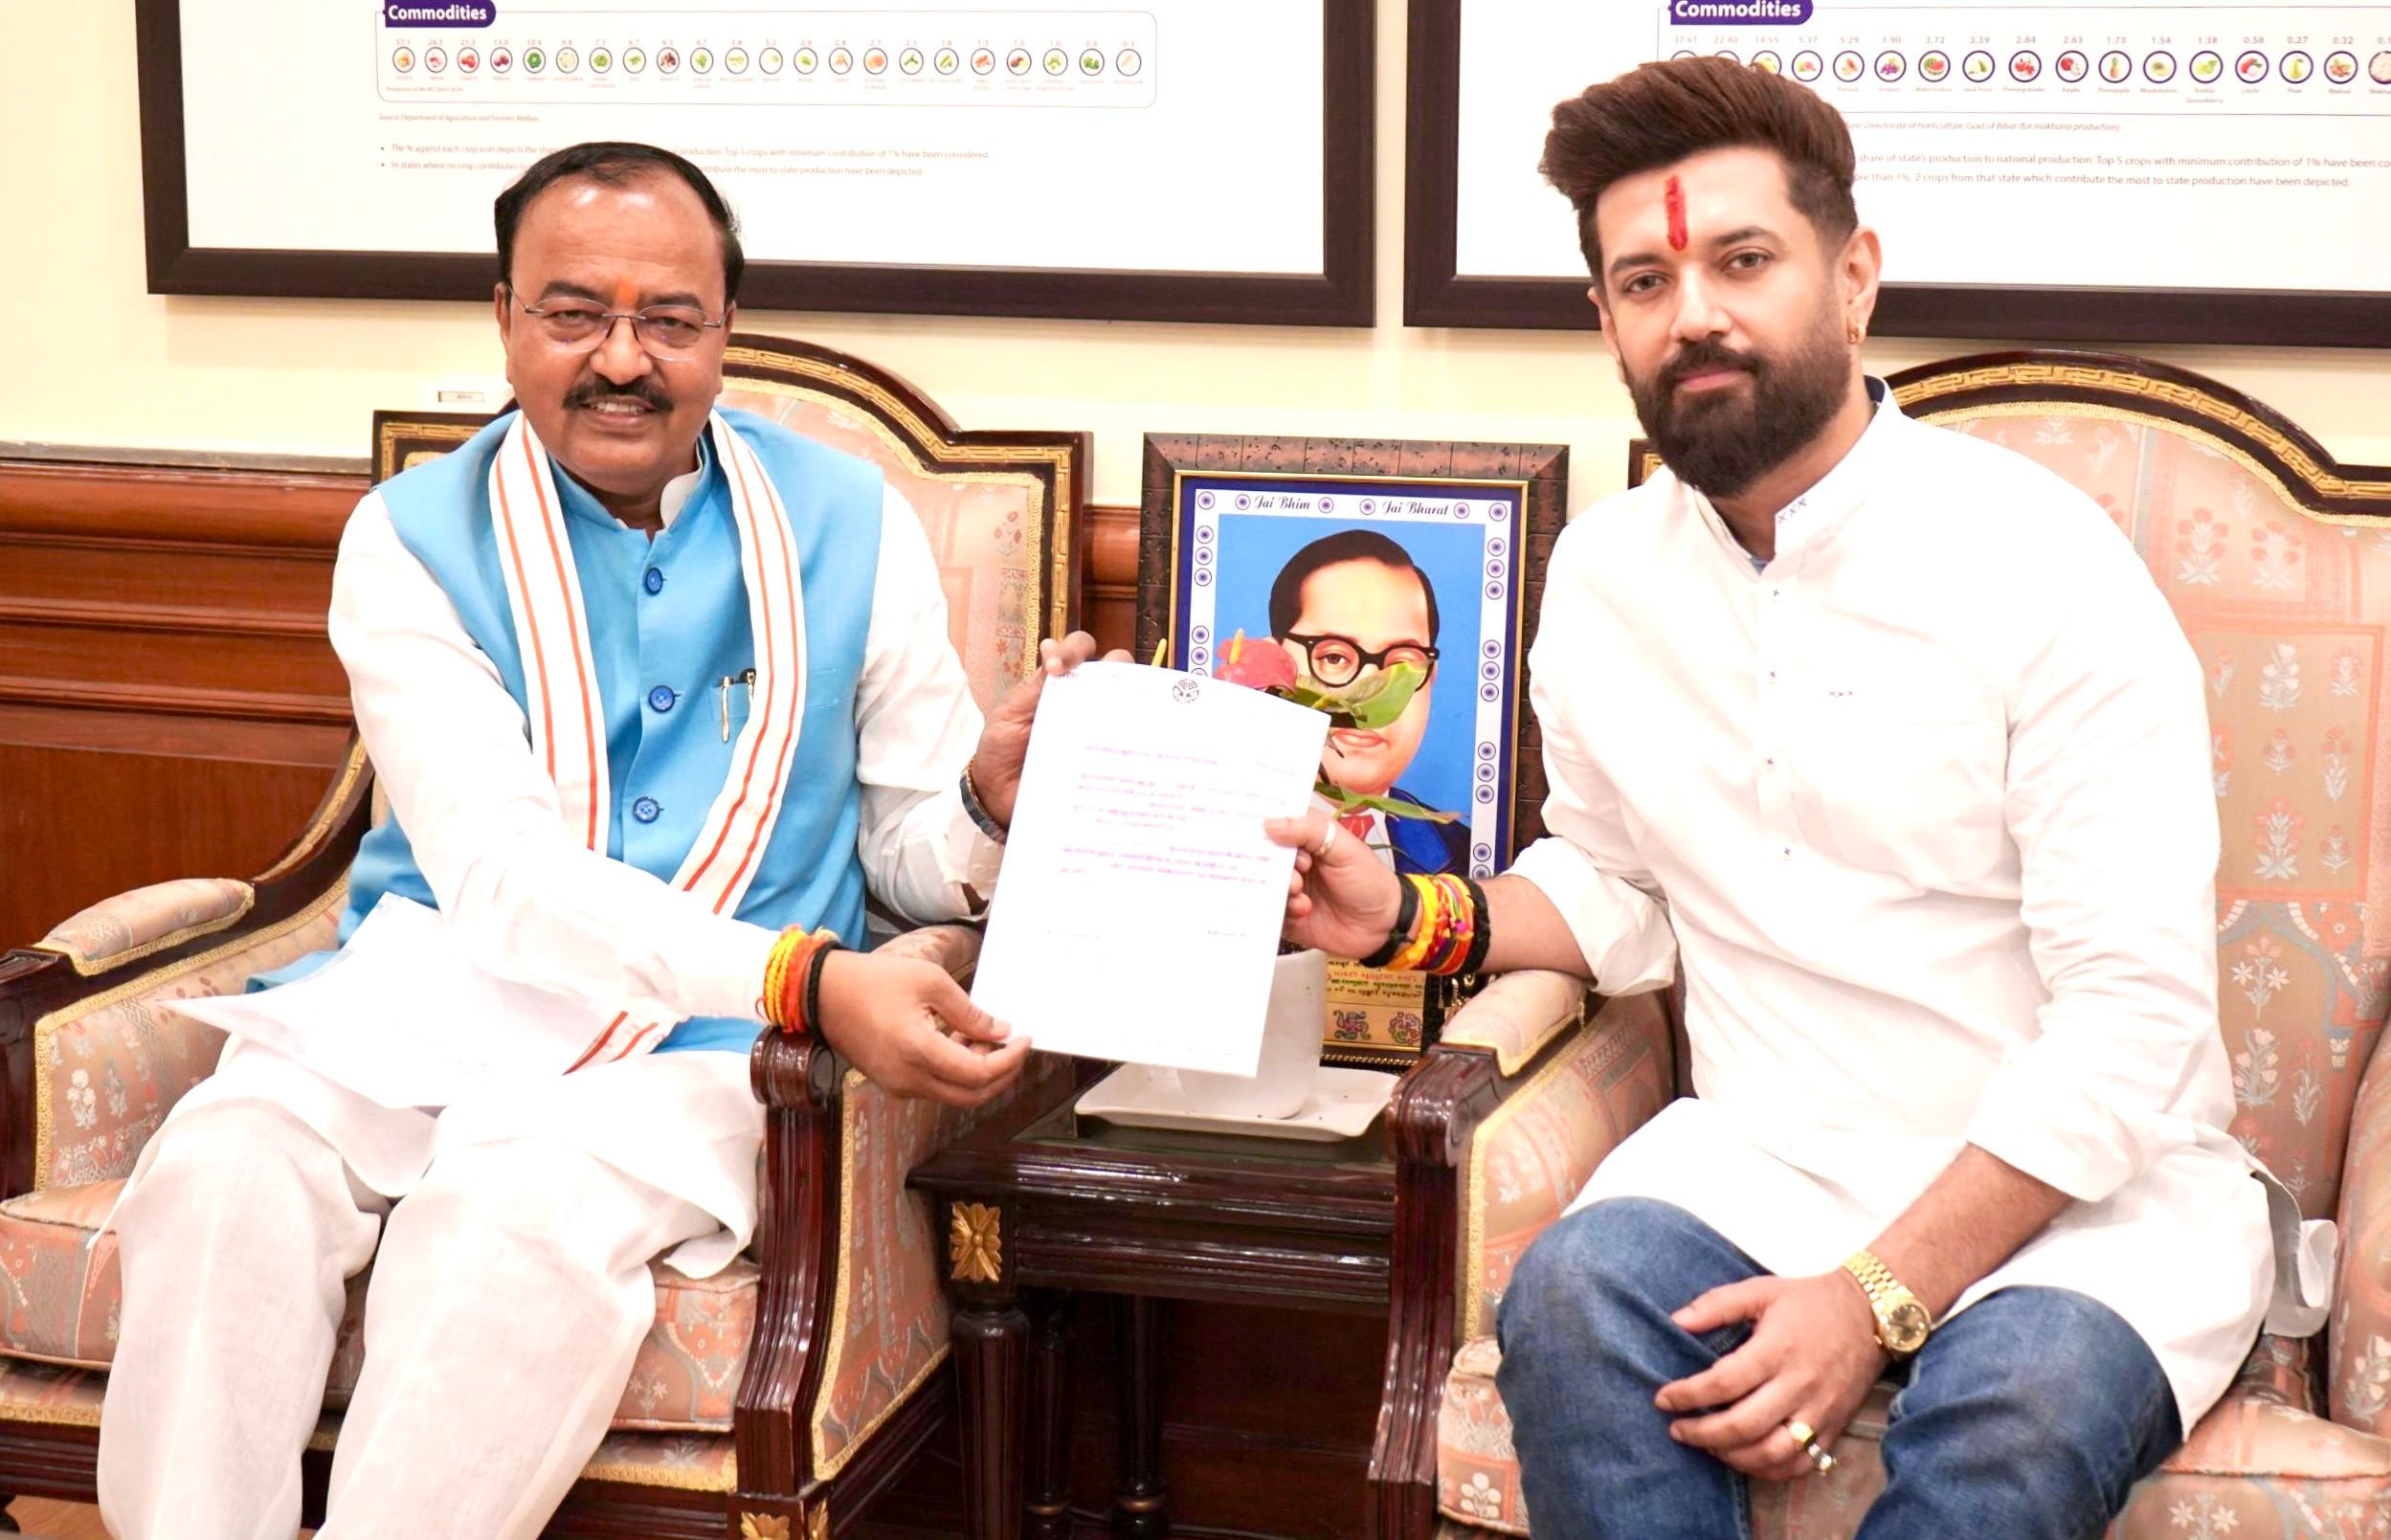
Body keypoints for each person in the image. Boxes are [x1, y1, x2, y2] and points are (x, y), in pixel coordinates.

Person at [1265, 58, 2323, 1540]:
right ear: (1605, 322)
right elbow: (1617, 887)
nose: (1691, 312)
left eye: (1742, 260)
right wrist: (1402, 914)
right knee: (1570, 1304)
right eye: (1645, 280)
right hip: (1764, 1163)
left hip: (2087, 1205)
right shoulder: (1607, 578)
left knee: (2011, 1419)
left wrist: (1874, 1296)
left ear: (1853, 279)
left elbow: (2131, 1026)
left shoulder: (2042, 564)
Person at [96, 141, 1107, 1539]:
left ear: (725, 329)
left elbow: (905, 853)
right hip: (443, 992)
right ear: (504, 317)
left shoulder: (848, 523)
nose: (621, 360)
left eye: (668, 320)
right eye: (573, 314)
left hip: (706, 1051)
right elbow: (502, 880)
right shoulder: (407, 540)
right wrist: (810, 978)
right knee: (223, 1169)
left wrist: (989, 799)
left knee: (509, 1209)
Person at [1268, 529, 1470, 875]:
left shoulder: (1466, 853)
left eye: (1400, 666)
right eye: (1333, 658)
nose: (1368, 698)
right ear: (1275, 665)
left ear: (1430, 677)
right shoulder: (1214, 828)